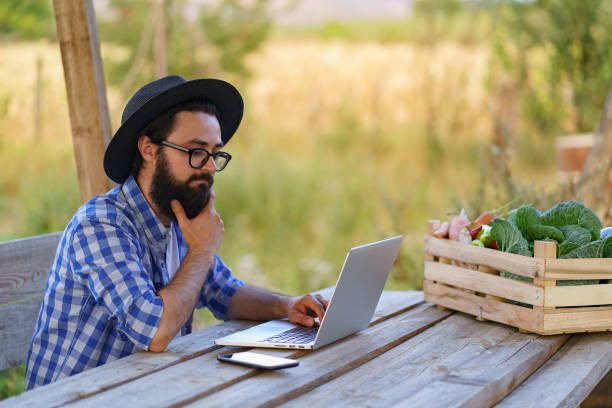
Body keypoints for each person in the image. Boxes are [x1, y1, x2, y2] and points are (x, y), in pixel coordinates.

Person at [25, 75, 328, 389]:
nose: (209, 166)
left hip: (143, 390)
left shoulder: (178, 217)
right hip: (74, 398)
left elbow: (225, 293)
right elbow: (155, 331)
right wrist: (201, 251)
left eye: (215, 153)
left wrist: (286, 305)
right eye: (196, 151)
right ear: (149, 149)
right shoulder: (101, 224)